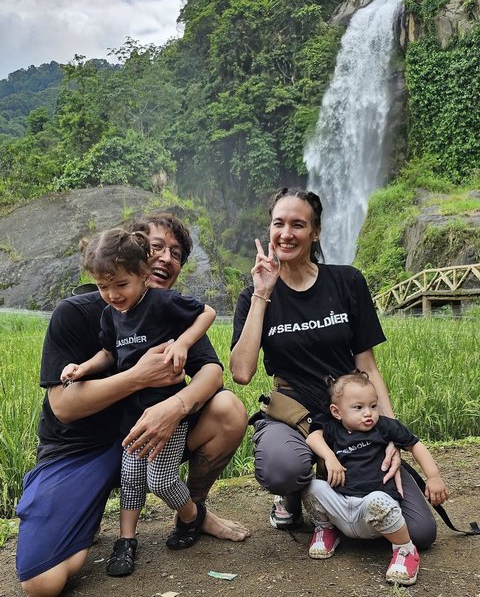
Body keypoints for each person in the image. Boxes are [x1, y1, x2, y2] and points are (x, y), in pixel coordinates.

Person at [16, 212, 249, 597]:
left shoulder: (167, 311)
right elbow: (63, 407)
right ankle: (69, 508)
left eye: (176, 253)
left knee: (228, 409)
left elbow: (212, 373)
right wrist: (138, 376)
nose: (165, 258)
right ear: (134, 251)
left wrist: (175, 406)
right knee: (44, 583)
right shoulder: (80, 311)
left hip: (149, 433)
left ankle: (193, 512)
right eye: (156, 246)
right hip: (79, 450)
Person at [230, 187, 437, 549]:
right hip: (295, 415)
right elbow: (242, 373)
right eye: (278, 223)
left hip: (351, 417)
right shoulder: (254, 296)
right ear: (269, 229)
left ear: (316, 231)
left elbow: (367, 366)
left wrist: (389, 434)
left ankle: (333, 495)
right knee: (284, 468)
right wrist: (263, 293)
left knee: (420, 533)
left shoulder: (347, 282)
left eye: (298, 224)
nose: (286, 233)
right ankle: (295, 495)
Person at [60, 226, 216, 576]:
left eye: (120, 285)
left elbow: (205, 313)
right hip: (132, 416)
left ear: (144, 276)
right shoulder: (111, 314)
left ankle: (191, 517)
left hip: (167, 412)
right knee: (131, 478)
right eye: (103, 287)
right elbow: (108, 354)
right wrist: (81, 368)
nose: (112, 295)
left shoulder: (162, 302)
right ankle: (126, 540)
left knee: (159, 480)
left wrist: (182, 344)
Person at [303, 372, 448, 586]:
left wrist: (434, 477)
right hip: (342, 505)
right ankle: (326, 529)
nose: (368, 413)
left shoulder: (384, 427)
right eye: (358, 408)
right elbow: (312, 437)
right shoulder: (332, 428)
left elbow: (415, 445)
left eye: (373, 406)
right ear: (336, 412)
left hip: (371, 511)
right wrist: (329, 456)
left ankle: (404, 551)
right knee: (312, 486)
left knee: (379, 501)